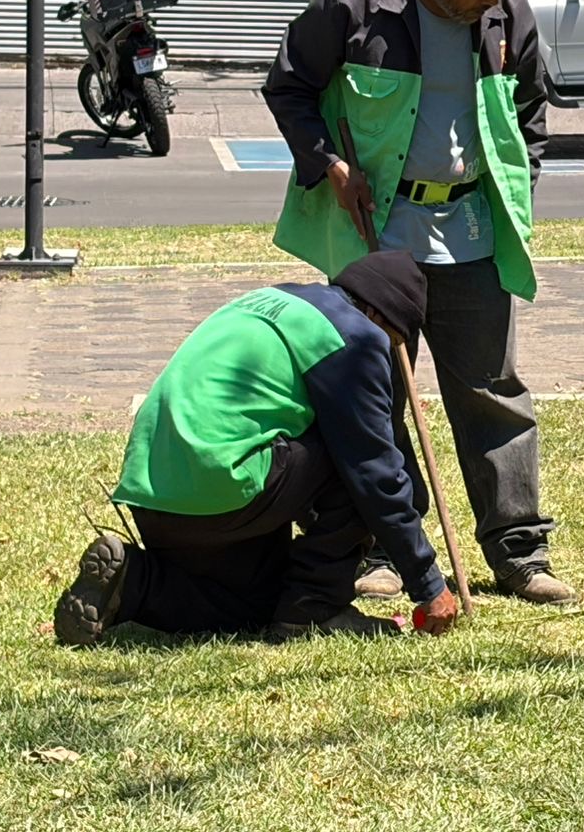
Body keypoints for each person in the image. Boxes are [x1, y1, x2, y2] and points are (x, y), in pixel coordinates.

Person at [262, 0, 575, 606]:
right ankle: (375, 548)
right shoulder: (353, 7)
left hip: (470, 232)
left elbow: (531, 113)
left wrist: (521, 175)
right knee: (375, 397)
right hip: (379, 238)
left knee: (493, 391)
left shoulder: (508, 16)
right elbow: (289, 88)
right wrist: (329, 165)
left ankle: (519, 553)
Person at [52, 251, 461, 645]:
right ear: (379, 317)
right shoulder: (356, 336)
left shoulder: (271, 299)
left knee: (257, 605)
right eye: (395, 346)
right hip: (225, 488)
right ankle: (314, 609)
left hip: (155, 493)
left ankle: (135, 581)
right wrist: (427, 583)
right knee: (354, 457)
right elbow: (375, 473)